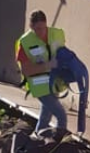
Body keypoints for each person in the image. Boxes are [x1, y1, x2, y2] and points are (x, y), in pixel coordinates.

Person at [14, 9, 68, 138]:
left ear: (46, 24)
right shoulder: (25, 42)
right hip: (39, 85)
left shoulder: (56, 34)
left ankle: (37, 140)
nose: (41, 32)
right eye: (37, 29)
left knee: (45, 118)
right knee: (61, 115)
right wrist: (47, 65)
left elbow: (64, 53)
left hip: (55, 82)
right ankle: (58, 147)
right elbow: (26, 71)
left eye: (43, 28)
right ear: (31, 27)